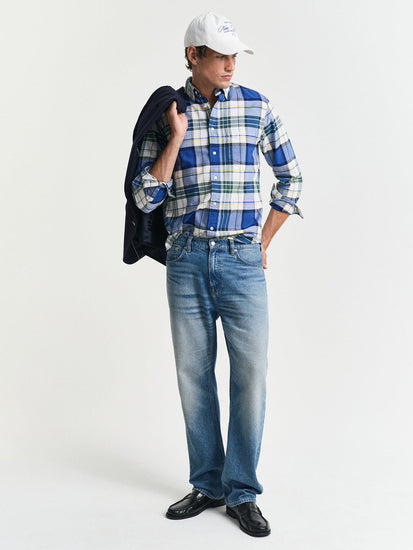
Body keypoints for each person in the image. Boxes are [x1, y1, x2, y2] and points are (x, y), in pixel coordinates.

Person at [131, 11, 304, 538]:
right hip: (186, 259)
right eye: (220, 55)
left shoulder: (256, 107)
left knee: (251, 376)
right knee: (193, 376)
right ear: (193, 56)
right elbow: (144, 197)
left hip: (241, 259)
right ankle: (208, 483)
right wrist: (175, 139)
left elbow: (291, 178)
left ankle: (242, 491)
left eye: (235, 55)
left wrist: (263, 241)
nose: (231, 64)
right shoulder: (167, 114)